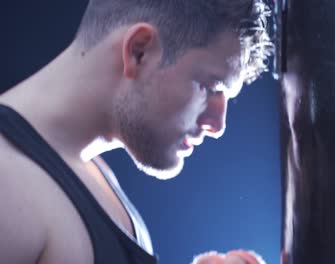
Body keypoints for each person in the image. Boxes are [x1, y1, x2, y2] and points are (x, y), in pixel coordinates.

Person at [0, 0, 273, 263]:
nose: (217, 125)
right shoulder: (8, 182)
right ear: (139, 51)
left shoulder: (90, 169)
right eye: (210, 87)